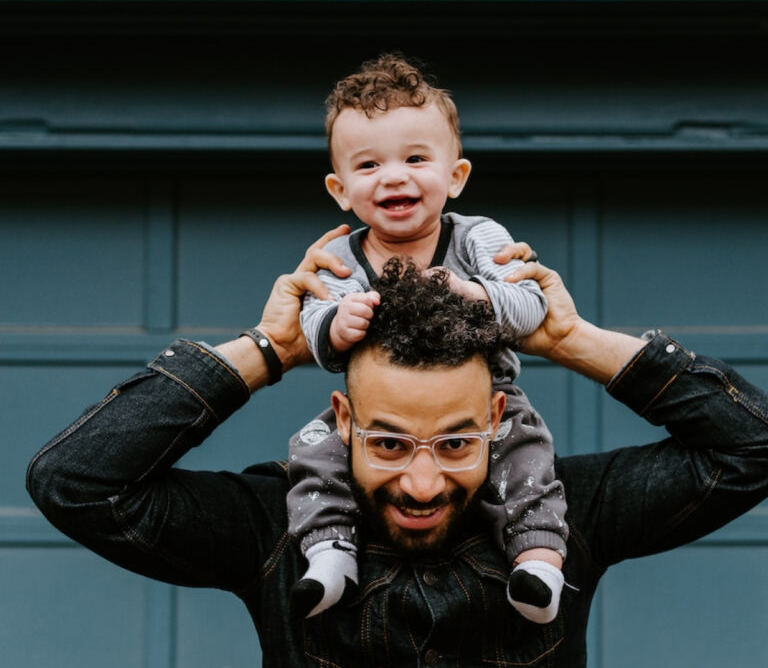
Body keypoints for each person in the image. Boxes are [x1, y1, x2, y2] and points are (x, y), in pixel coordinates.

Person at [26, 226, 768, 667]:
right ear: (342, 420)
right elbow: (77, 482)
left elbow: (752, 448)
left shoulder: (570, 515)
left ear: (498, 416)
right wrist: (271, 349)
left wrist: (572, 341)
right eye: (387, 443)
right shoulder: (273, 527)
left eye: (454, 444)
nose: (420, 483)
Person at [289, 53, 566, 622]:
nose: (393, 176)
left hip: (489, 397)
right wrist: (334, 325)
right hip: (377, 411)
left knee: (528, 452)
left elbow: (530, 304)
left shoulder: (477, 238)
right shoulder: (339, 256)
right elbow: (314, 327)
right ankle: (329, 553)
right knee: (313, 451)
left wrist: (475, 294)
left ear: (455, 176)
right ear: (340, 190)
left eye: (416, 158)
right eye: (368, 166)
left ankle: (537, 562)